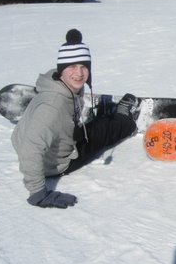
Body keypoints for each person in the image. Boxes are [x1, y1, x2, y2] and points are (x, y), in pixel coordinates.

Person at [12, 29, 139, 209]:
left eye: (83, 67)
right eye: (72, 67)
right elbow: (30, 148)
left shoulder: (57, 84)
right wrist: (38, 193)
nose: (79, 73)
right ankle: (124, 120)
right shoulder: (52, 107)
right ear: (62, 69)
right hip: (57, 163)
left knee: (83, 128)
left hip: (53, 146)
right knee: (102, 132)